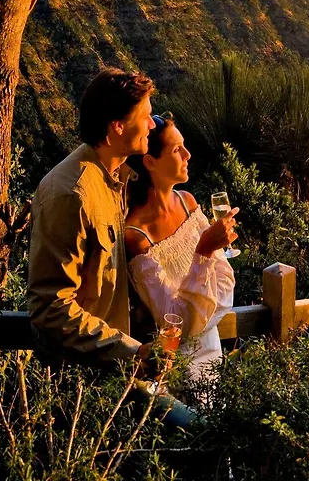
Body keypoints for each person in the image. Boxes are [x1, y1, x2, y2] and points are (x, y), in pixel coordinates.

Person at [27, 67, 173, 377]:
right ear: (117, 126)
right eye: (145, 117)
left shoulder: (117, 178)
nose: (152, 124)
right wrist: (130, 353)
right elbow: (50, 307)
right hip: (83, 378)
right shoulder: (71, 195)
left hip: (114, 369)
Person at [123, 113, 238, 385]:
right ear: (150, 162)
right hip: (179, 367)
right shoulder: (136, 236)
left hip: (212, 347)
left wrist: (201, 314)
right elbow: (175, 326)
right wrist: (204, 252)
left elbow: (226, 288)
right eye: (176, 149)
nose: (187, 154)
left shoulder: (187, 202)